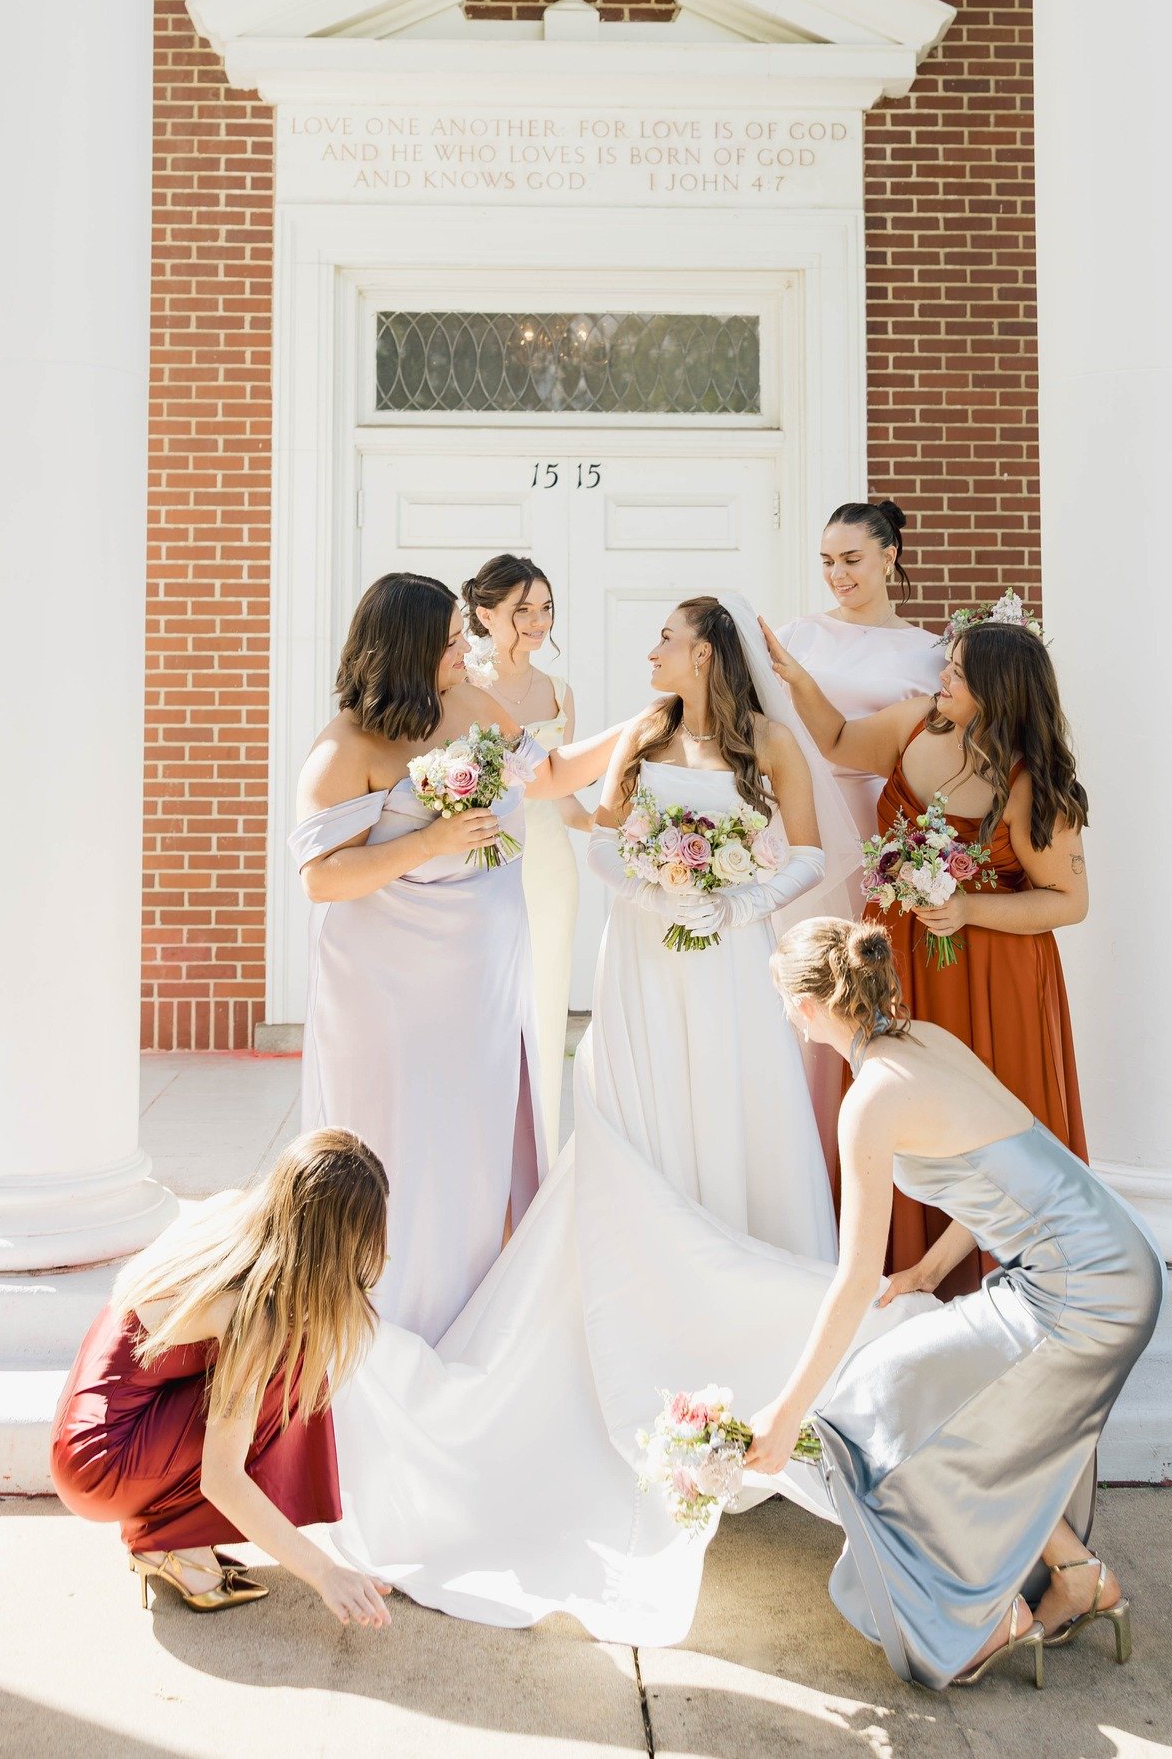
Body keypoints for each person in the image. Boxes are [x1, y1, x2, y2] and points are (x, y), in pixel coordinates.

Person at [329, 594, 928, 1644]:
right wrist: (640, 873)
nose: (650, 648)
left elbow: (805, 852)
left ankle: (760, 1353)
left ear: (705, 651)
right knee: (632, 1126)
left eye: (665, 637)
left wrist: (734, 898)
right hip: (643, 962)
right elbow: (586, 822)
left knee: (730, 1125)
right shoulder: (642, 730)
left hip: (724, 964)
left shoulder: (768, 745)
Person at [747, 918, 1163, 1691]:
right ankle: (1079, 1576)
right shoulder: (927, 1042)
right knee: (948, 1412)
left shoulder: (870, 1098)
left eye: (781, 997)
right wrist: (927, 1269)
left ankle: (981, 1622)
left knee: (875, 1402)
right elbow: (1009, 1162)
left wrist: (784, 1412)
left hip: (1080, 1288)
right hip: (1116, 1255)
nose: (784, 1013)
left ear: (805, 1005)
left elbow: (851, 1280)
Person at [290, 572, 623, 1344]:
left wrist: (639, 729)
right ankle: (388, 1313)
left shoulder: (472, 705)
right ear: (405, 649)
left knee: (471, 1147)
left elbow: (547, 777)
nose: (465, 651)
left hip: (478, 986)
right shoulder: (346, 745)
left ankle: (476, 1315)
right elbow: (321, 878)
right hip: (386, 991)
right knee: (399, 1145)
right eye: (448, 640)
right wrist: (431, 840)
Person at [764, 612, 1089, 1295]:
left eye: (957, 673)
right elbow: (836, 739)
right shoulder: (914, 724)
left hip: (995, 973)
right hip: (900, 962)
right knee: (897, 1102)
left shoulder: (1032, 783)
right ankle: (889, 1273)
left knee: (990, 1114)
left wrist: (968, 908)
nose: (940, 676)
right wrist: (797, 680)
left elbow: (1068, 900)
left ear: (997, 692)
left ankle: (993, 1284)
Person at [50, 1129, 394, 1627]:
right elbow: (223, 1478)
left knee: (291, 1345)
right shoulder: (255, 1314)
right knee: (289, 1363)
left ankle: (170, 1533)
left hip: (90, 1420)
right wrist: (325, 1573)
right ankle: (167, 1543)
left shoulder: (237, 1212)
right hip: (100, 1463)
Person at [774, 501, 945, 1201]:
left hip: (877, 831)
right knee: (799, 986)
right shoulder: (796, 636)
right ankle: (795, 1170)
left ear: (888, 556)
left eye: (851, 559)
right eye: (826, 561)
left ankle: (863, 1168)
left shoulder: (930, 652)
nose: (837, 574)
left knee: (861, 985)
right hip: (798, 823)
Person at [463, 554, 592, 1155]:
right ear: (486, 614)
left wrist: (612, 827)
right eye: (523, 611)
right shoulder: (460, 684)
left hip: (548, 865)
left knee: (544, 999)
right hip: (476, 859)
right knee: (478, 1003)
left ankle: (537, 1150)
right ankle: (476, 1148)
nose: (539, 622)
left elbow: (560, 795)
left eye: (546, 609)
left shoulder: (559, 693)